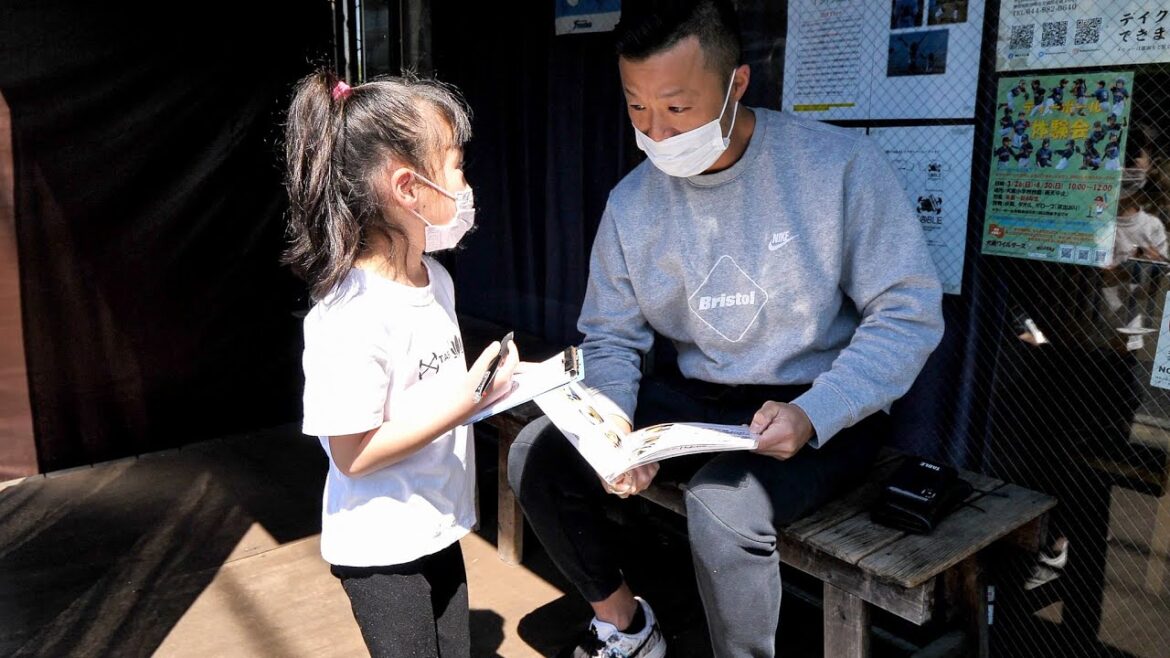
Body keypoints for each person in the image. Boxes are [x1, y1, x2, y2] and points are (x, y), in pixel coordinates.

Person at [506, 1, 944, 656]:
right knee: (536, 454)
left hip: (818, 406)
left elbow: (907, 311)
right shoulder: (632, 202)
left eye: (677, 108)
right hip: (695, 400)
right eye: (637, 108)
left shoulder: (838, 168)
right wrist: (612, 430)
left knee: (722, 508)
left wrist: (816, 411)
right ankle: (626, 625)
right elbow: (614, 335)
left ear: (737, 83)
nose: (656, 130)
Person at [283, 71, 519, 657]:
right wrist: (465, 402)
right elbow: (352, 453)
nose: (466, 185)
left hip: (437, 522)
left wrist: (486, 390)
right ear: (408, 188)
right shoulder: (348, 315)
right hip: (381, 551)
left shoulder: (435, 279)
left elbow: (436, 395)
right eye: (457, 166)